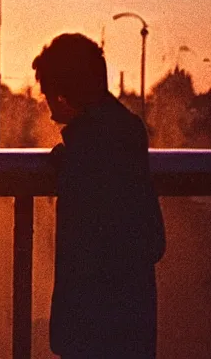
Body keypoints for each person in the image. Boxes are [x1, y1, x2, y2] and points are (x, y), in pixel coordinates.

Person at [32, 33, 166, 358]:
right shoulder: (126, 132)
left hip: (94, 333)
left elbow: (83, 254)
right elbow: (151, 239)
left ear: (64, 95)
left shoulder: (87, 153)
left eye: (49, 95)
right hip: (132, 326)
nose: (49, 110)